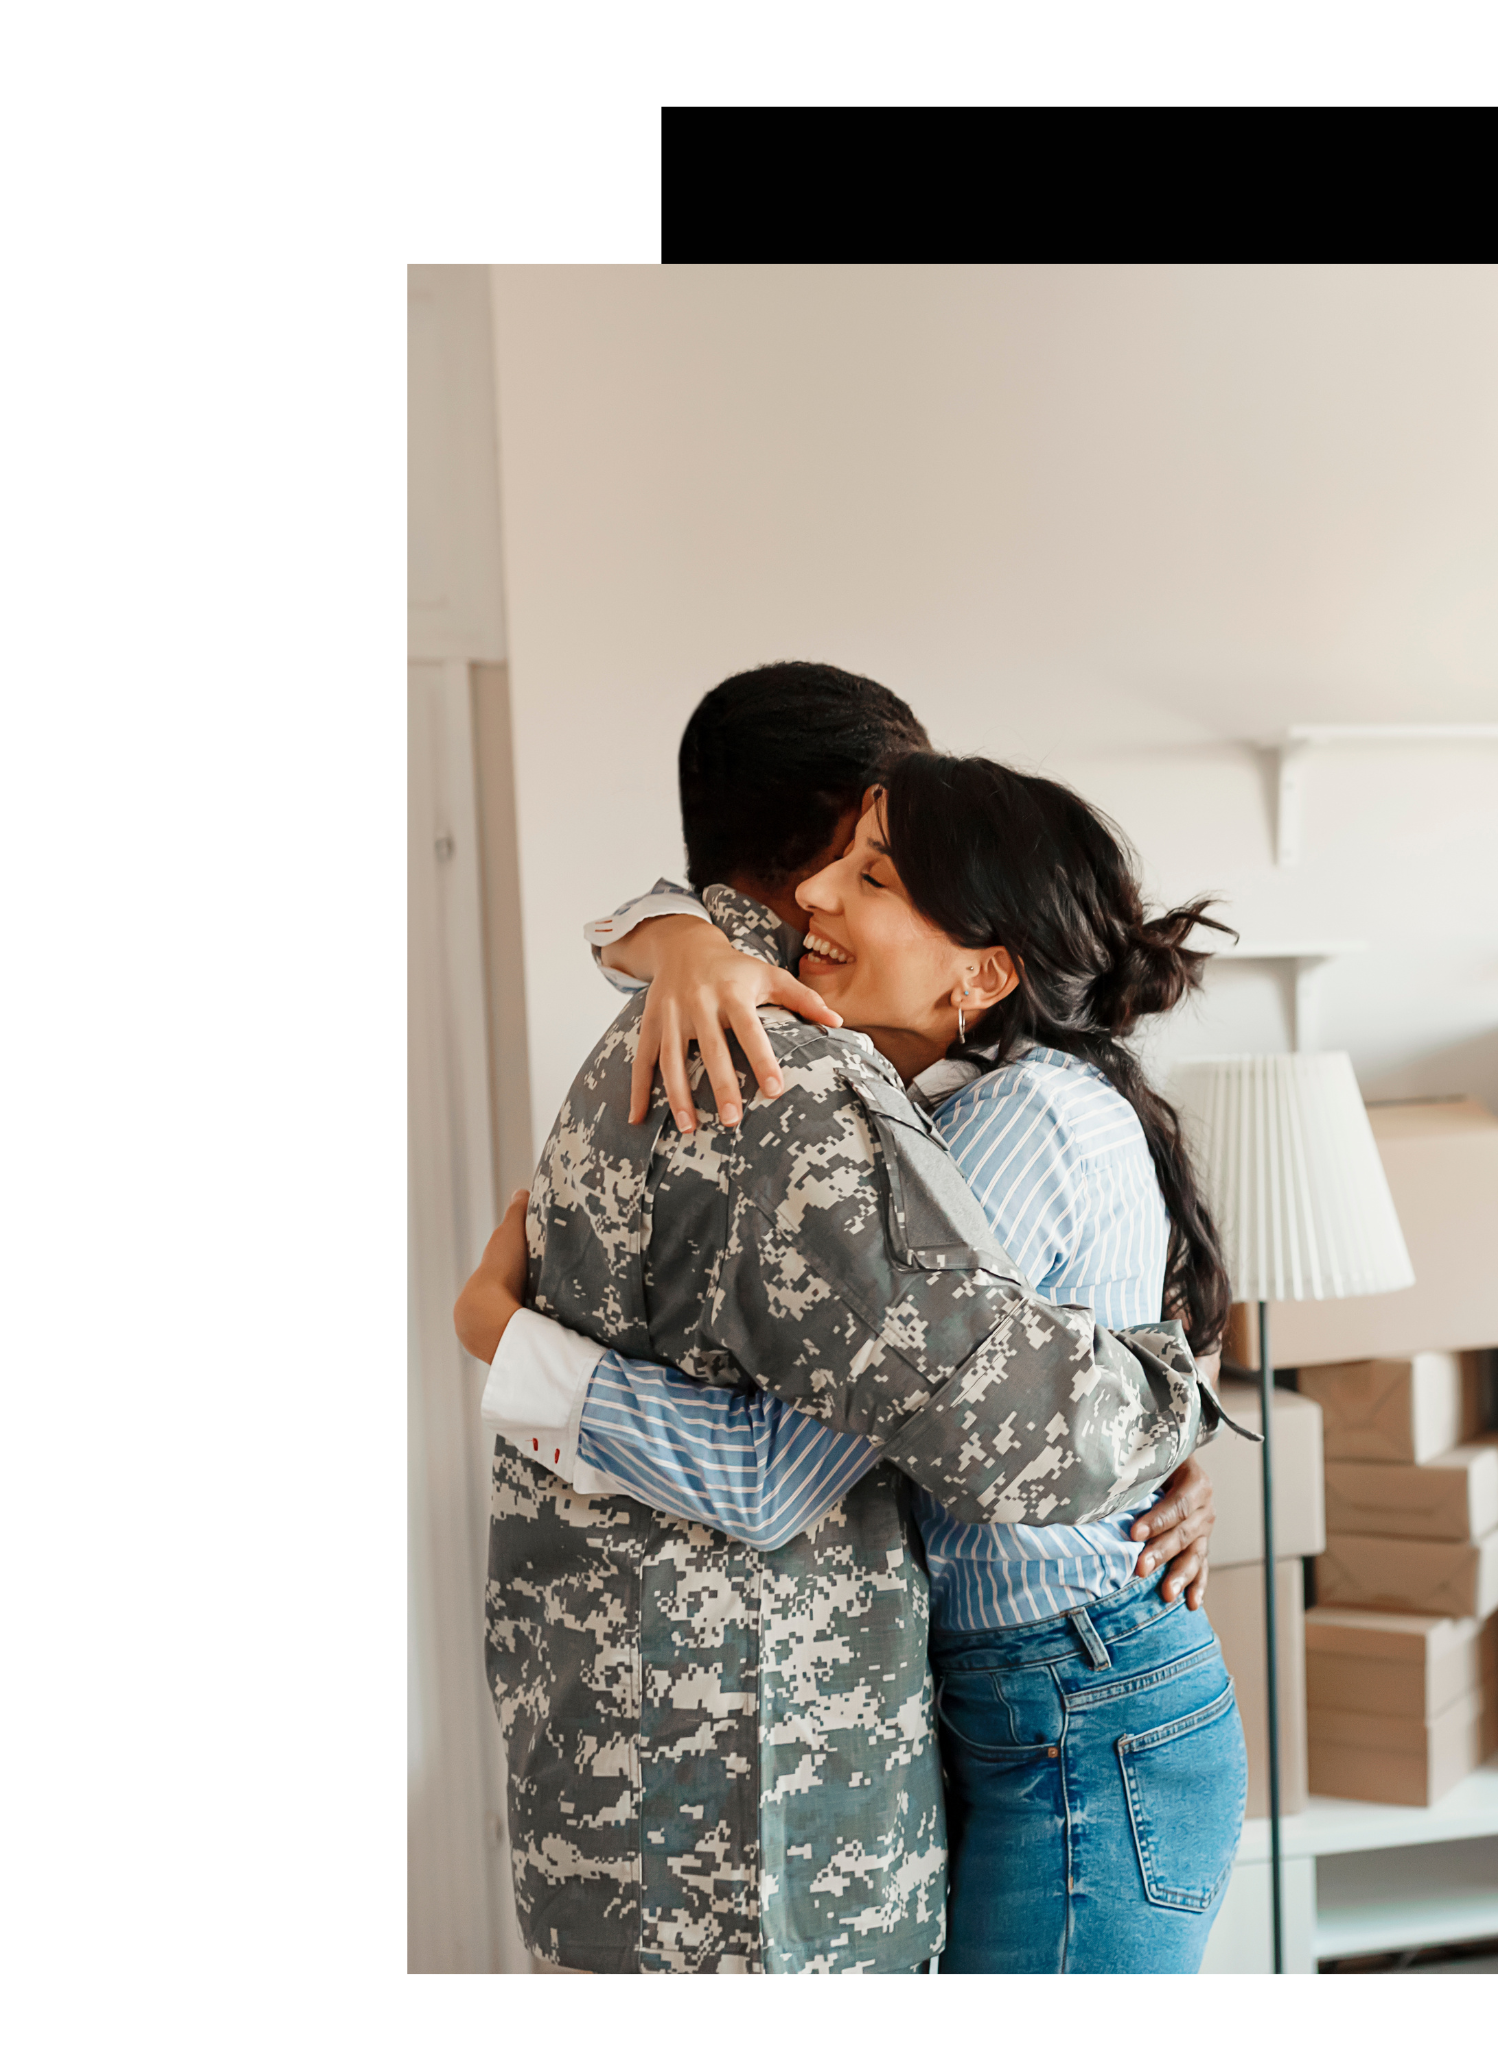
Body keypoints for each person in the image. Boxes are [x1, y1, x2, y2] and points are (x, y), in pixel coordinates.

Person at [456, 663, 1234, 1984]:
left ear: (982, 958)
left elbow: (959, 1399)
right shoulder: (788, 1073)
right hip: (763, 1812)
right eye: (854, 852)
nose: (829, 897)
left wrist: (503, 1338)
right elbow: (805, 1466)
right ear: (815, 827)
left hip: (965, 1716)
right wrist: (1162, 1394)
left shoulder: (666, 1035)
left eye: (879, 872)